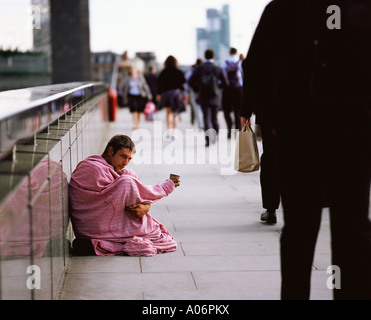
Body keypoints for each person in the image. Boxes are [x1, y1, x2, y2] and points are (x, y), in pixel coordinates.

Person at [241, 0, 371, 300]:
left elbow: (255, 66)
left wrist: (275, 121)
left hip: (299, 133)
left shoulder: (284, 8)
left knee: (300, 229)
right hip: (353, 131)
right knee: (353, 227)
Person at [69, 134, 180, 257]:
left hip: (104, 223)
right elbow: (107, 197)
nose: (125, 162)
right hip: (92, 226)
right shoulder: (92, 168)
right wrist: (163, 189)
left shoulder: (110, 169)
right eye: (123, 156)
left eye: (129, 159)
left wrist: (146, 207)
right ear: (110, 151)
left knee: (129, 175)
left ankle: (101, 244)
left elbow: (133, 194)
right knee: (127, 181)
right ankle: (99, 241)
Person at [189, 49, 227, 146]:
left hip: (203, 96)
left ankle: (208, 139)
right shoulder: (217, 68)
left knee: (206, 117)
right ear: (213, 57)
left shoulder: (200, 68)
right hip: (215, 96)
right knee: (214, 117)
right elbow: (225, 83)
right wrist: (218, 89)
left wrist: (198, 89)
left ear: (205, 57)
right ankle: (215, 136)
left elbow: (190, 81)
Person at [157, 55, 187, 134]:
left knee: (168, 113)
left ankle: (168, 130)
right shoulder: (179, 72)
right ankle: (174, 131)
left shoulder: (163, 72)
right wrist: (184, 95)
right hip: (176, 94)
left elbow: (159, 84)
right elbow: (183, 85)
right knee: (176, 113)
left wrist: (159, 94)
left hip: (166, 94)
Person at [221, 47, 243, 139]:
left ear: (229, 53)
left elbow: (221, 77)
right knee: (238, 111)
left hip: (227, 89)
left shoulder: (224, 63)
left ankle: (229, 129)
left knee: (226, 111)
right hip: (238, 89)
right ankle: (238, 131)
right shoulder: (240, 63)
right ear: (236, 53)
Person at [185, 58, 204, 130]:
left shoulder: (192, 71)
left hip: (194, 91)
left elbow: (188, 81)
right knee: (203, 108)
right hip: (203, 91)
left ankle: (200, 125)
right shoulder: (204, 70)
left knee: (196, 109)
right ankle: (205, 122)